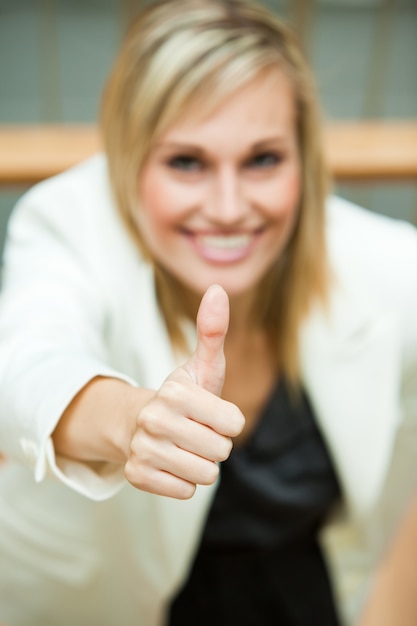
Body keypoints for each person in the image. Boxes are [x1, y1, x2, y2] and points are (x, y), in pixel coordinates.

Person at [0, 0, 416, 624]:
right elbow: (24, 365)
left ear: (305, 160)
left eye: (263, 159)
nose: (227, 207)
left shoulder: (389, 268)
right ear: (127, 156)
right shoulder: (66, 222)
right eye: (186, 163)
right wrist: (132, 418)